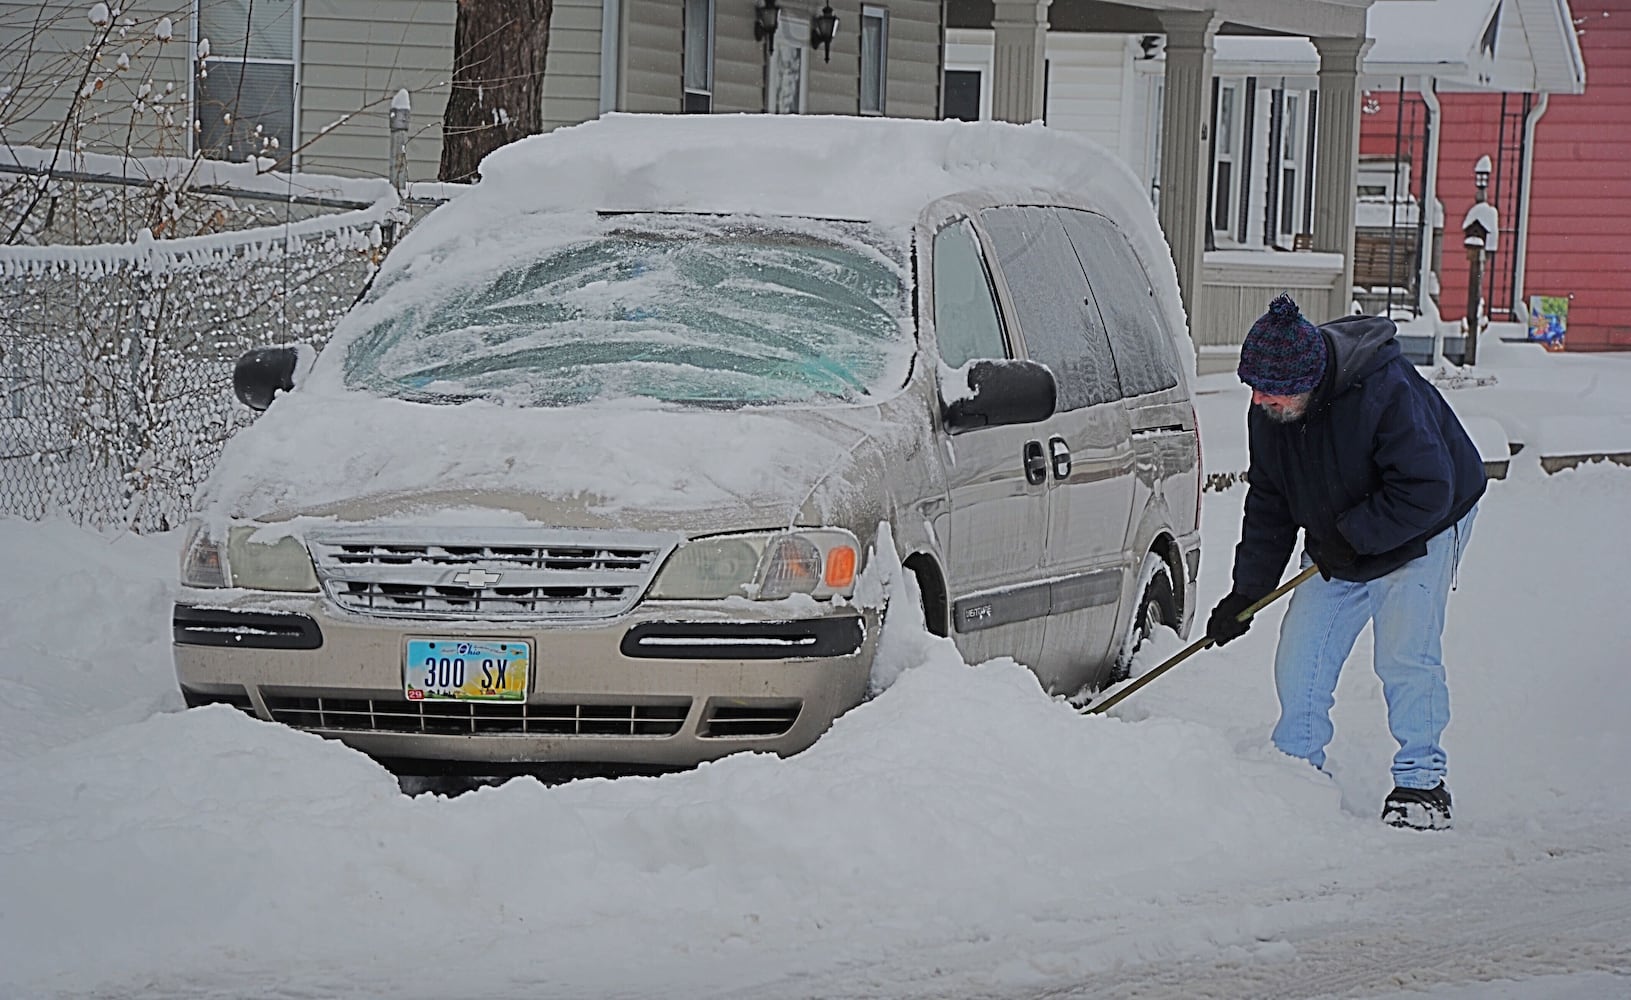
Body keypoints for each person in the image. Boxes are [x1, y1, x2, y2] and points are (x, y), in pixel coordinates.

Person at [1207, 294, 1486, 831]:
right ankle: (1296, 774)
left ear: (1307, 382)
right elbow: (1269, 501)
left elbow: (1428, 487)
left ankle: (1422, 783)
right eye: (1254, 387)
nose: (1259, 399)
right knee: (1301, 654)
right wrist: (1247, 593)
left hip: (1425, 522)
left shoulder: (1385, 391)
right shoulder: (1272, 410)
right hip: (1343, 534)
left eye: (1271, 390)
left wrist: (1352, 536)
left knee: (1405, 653)